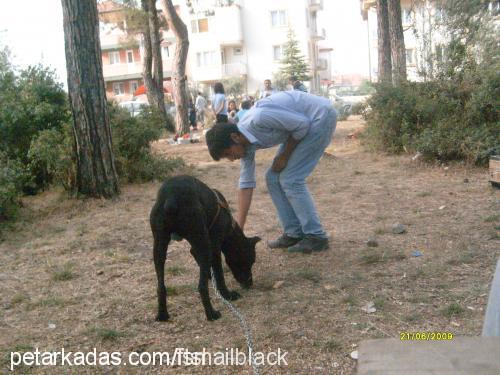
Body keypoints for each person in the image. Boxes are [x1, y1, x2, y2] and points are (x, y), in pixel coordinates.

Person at [206, 91, 337, 253]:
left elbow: (302, 125)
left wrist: (284, 155)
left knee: (291, 179)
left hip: (320, 117)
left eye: (227, 154)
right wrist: (238, 231)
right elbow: (246, 185)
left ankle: (316, 237)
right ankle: (293, 233)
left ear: (235, 137)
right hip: (301, 125)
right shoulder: (244, 146)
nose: (231, 159)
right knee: (272, 178)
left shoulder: (259, 118)